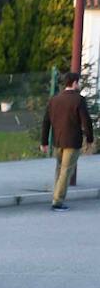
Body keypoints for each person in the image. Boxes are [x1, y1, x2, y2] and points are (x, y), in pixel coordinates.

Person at [40, 70, 93, 211]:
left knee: (59, 169)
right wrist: (90, 139)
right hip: (73, 141)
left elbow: (46, 122)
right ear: (74, 83)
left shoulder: (54, 100)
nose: (79, 84)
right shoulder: (79, 100)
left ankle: (56, 196)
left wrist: (44, 142)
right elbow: (86, 121)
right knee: (66, 171)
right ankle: (57, 201)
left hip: (58, 140)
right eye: (79, 82)